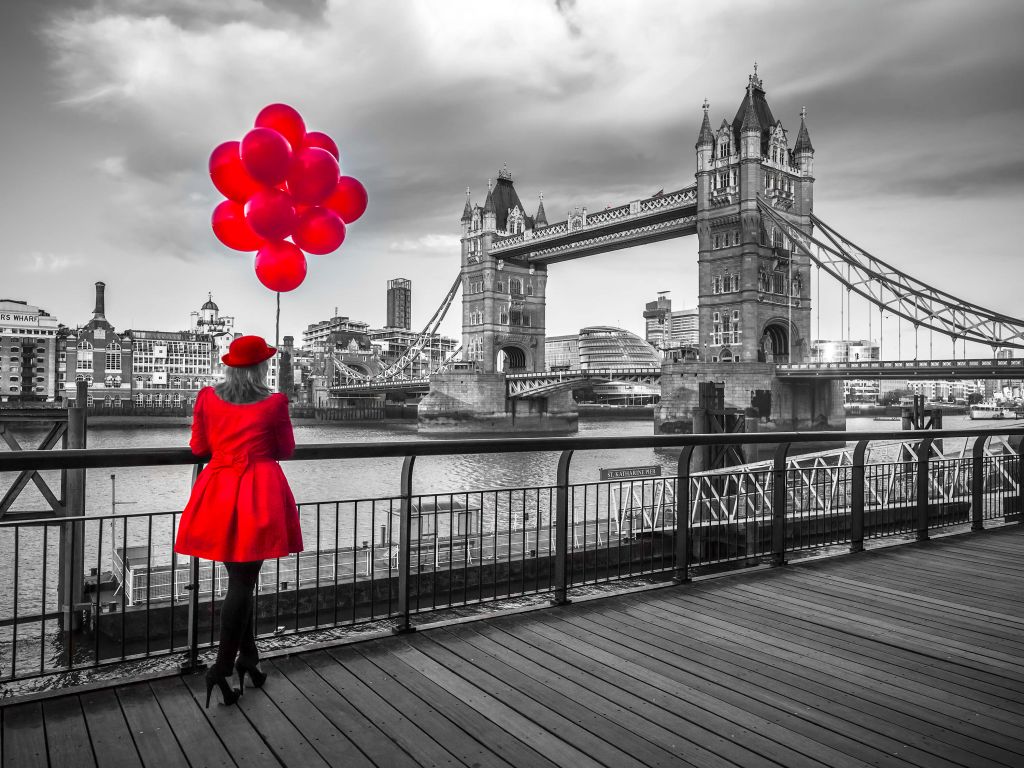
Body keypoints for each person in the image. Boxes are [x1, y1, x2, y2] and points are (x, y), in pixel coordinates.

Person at [174, 335, 303, 707]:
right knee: (243, 583)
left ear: (230, 366)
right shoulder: (274, 402)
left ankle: (250, 660)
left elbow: (199, 449)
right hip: (259, 493)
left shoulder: (207, 398)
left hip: (218, 490)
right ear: (263, 367)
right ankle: (221, 666)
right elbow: (285, 450)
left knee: (240, 582)